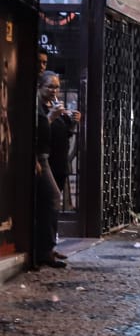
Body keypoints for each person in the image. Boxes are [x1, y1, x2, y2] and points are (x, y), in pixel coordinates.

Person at [33, 72, 66, 269]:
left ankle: (47, 248)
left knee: (50, 199)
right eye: (50, 87)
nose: (54, 91)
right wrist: (50, 118)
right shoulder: (37, 106)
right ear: (40, 87)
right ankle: (44, 250)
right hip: (40, 157)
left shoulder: (47, 105)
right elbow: (37, 129)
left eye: (56, 87)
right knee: (52, 198)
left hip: (49, 157)